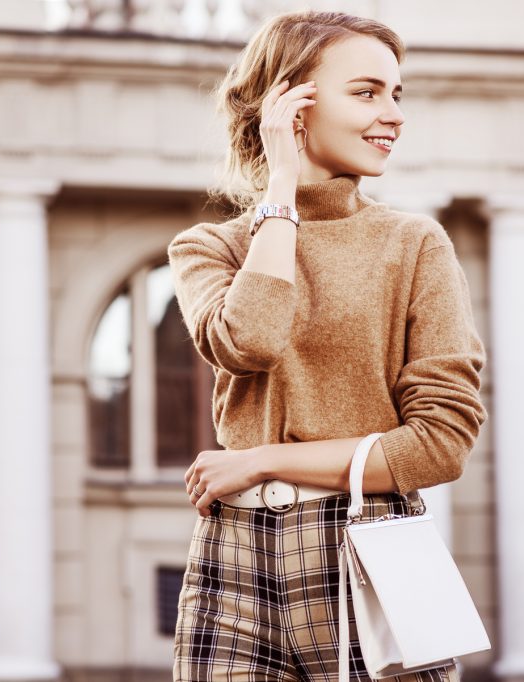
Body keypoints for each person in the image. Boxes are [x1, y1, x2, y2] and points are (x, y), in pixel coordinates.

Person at [167, 9, 487, 681]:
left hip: (371, 551)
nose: (394, 115)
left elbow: (441, 443)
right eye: (367, 92)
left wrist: (260, 461)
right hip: (235, 558)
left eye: (397, 94)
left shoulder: (413, 244)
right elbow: (250, 339)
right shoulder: (210, 247)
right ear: (292, 106)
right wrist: (279, 190)